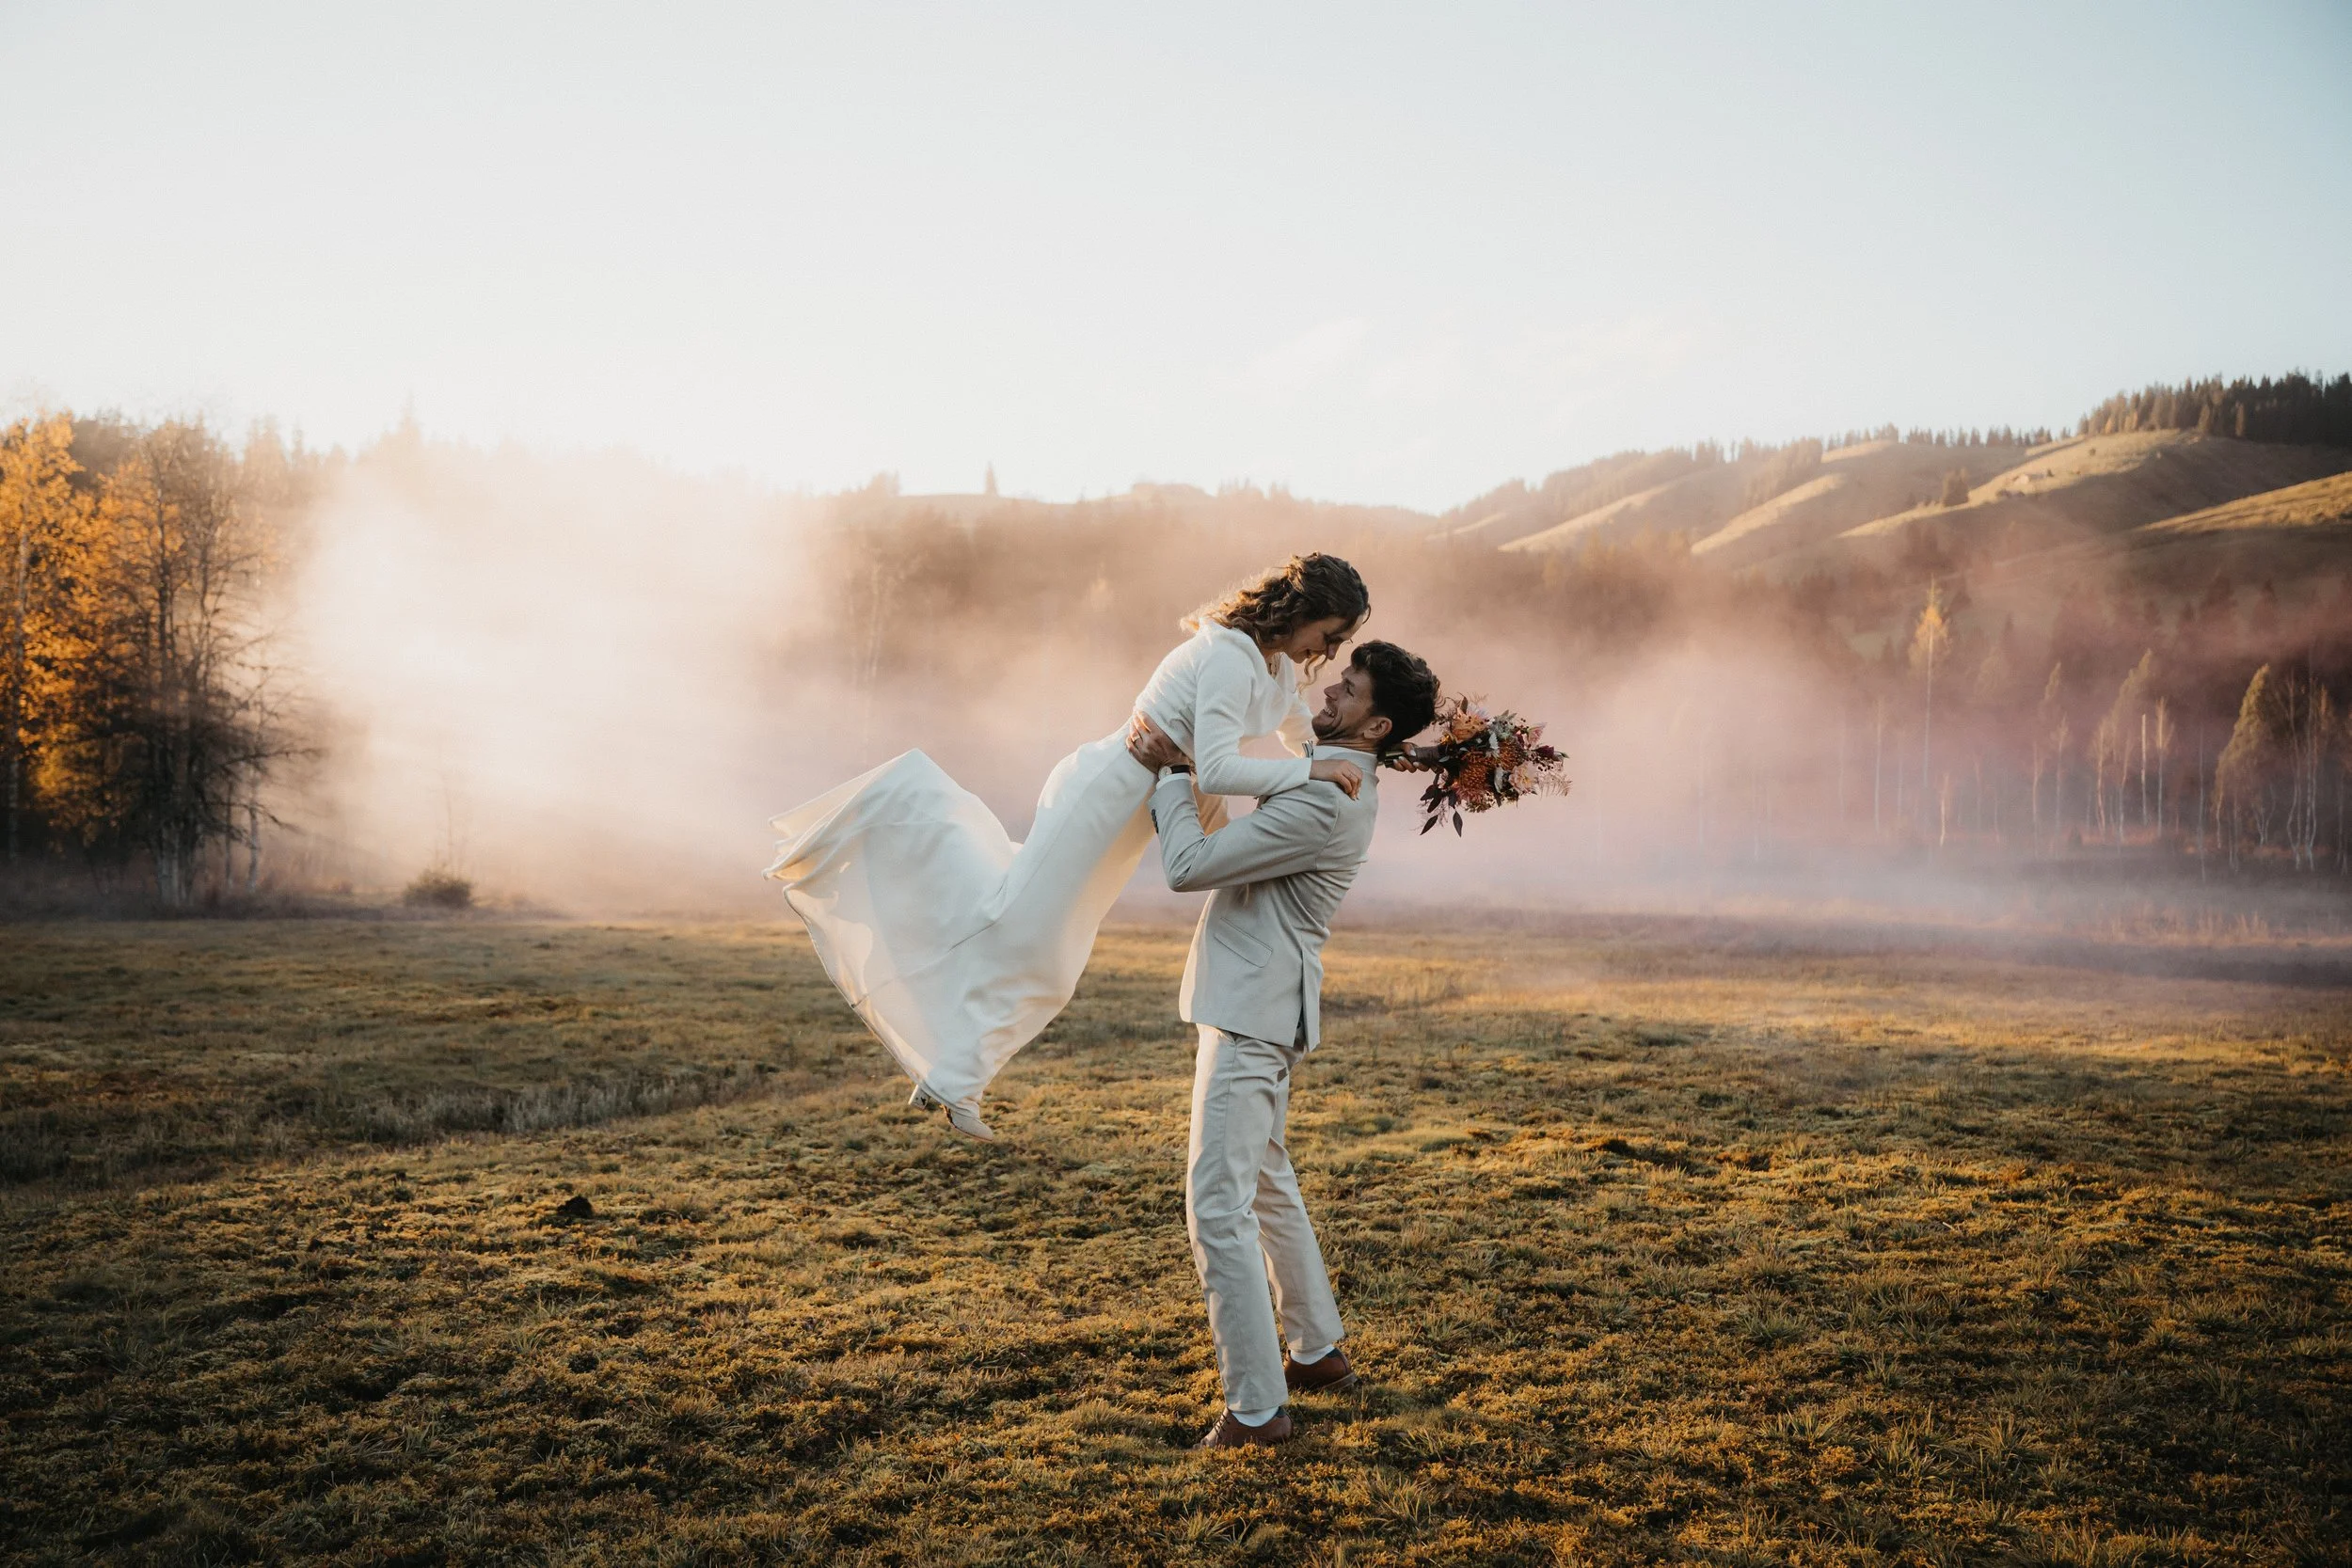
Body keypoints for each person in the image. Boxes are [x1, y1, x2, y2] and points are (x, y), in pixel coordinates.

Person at [766, 554, 1372, 1143]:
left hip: (1135, 812)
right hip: (1105, 791)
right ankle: (882, 818)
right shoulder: (1226, 657)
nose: (1330, 653)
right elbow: (1215, 770)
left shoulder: (1276, 671)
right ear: (1303, 610)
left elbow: (1305, 743)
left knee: (1046, 959)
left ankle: (948, 1078)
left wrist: (1376, 761)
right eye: (1330, 635)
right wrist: (1307, 778)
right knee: (1024, 938)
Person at [1127, 639, 1441, 1449]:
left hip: (1250, 1013)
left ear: (1375, 726)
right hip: (1267, 1001)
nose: (1328, 689)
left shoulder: (1322, 800)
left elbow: (1190, 865)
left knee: (1216, 1207)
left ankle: (1257, 1409)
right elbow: (1285, 756)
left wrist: (1168, 773)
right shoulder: (1333, 776)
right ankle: (1316, 1350)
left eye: (1349, 686)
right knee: (1266, 1180)